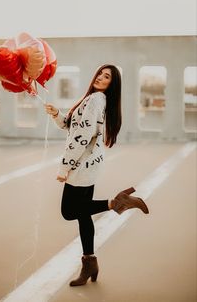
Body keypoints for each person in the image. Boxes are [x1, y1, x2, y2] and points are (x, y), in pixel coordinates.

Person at [44, 64, 149, 287]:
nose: (101, 78)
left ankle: (116, 202)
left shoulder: (95, 100)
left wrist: (65, 168)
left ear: (112, 84)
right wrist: (57, 115)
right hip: (89, 164)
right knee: (83, 215)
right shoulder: (95, 99)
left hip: (81, 166)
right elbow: (74, 127)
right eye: (100, 74)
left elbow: (81, 137)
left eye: (107, 77)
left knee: (69, 211)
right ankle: (90, 263)